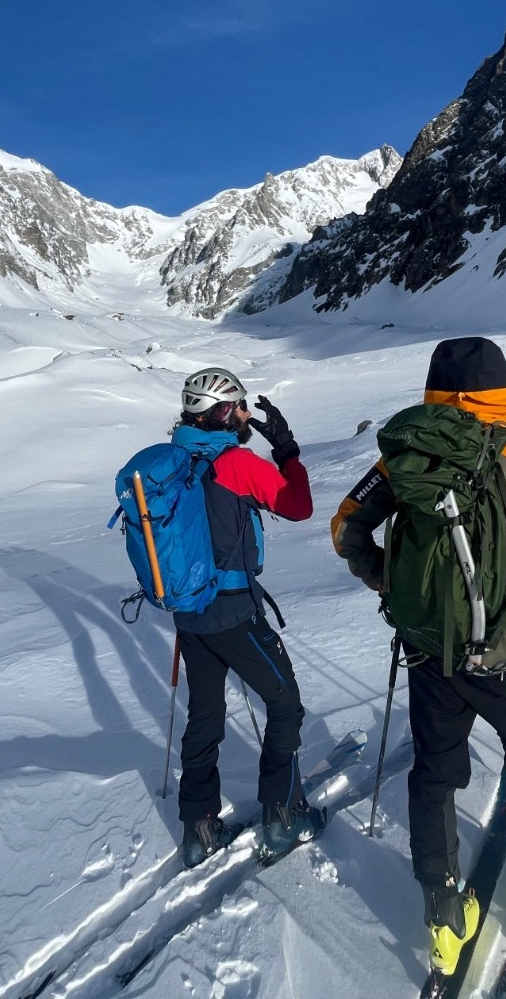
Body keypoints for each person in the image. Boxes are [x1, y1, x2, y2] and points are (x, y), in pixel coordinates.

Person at [330, 337, 506, 977]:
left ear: (436, 390)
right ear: (502, 390)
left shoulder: (404, 451)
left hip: (430, 653)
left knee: (434, 776)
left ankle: (442, 917)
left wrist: (392, 584)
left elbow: (347, 525)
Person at [170, 366, 321, 867]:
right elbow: (298, 506)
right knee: (285, 705)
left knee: (205, 714)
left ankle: (198, 830)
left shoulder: (170, 457)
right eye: (239, 407)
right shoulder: (233, 462)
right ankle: (282, 818)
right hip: (233, 612)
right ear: (221, 411)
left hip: (188, 613)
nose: (247, 416)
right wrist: (287, 451)